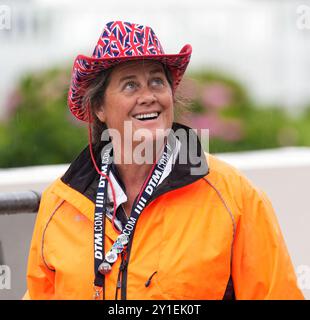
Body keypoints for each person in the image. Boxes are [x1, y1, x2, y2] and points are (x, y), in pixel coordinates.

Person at [25, 21, 304, 300]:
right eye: (130, 85)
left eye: (157, 82)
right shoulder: (59, 202)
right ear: (99, 107)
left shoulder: (234, 196)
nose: (148, 97)